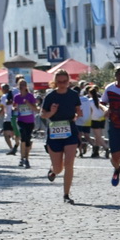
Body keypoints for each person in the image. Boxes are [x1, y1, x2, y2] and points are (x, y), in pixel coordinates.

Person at [39, 69, 84, 203]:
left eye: (65, 81)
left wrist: (78, 115)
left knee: (69, 164)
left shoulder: (74, 95)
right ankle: (53, 170)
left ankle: (66, 195)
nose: (62, 84)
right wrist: (51, 112)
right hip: (54, 130)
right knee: (59, 168)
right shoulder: (50, 96)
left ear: (68, 81)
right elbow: (43, 115)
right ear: (55, 82)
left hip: (69, 129)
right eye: (59, 82)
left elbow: (77, 112)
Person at [10, 78, 39, 168]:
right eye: (20, 85)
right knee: (23, 137)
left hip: (30, 121)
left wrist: (28, 103)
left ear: (26, 86)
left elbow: (36, 109)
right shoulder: (17, 97)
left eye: (23, 84)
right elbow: (13, 106)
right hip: (21, 120)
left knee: (27, 140)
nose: (22, 86)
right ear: (18, 86)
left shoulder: (30, 96)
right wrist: (14, 108)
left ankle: (26, 158)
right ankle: (22, 158)